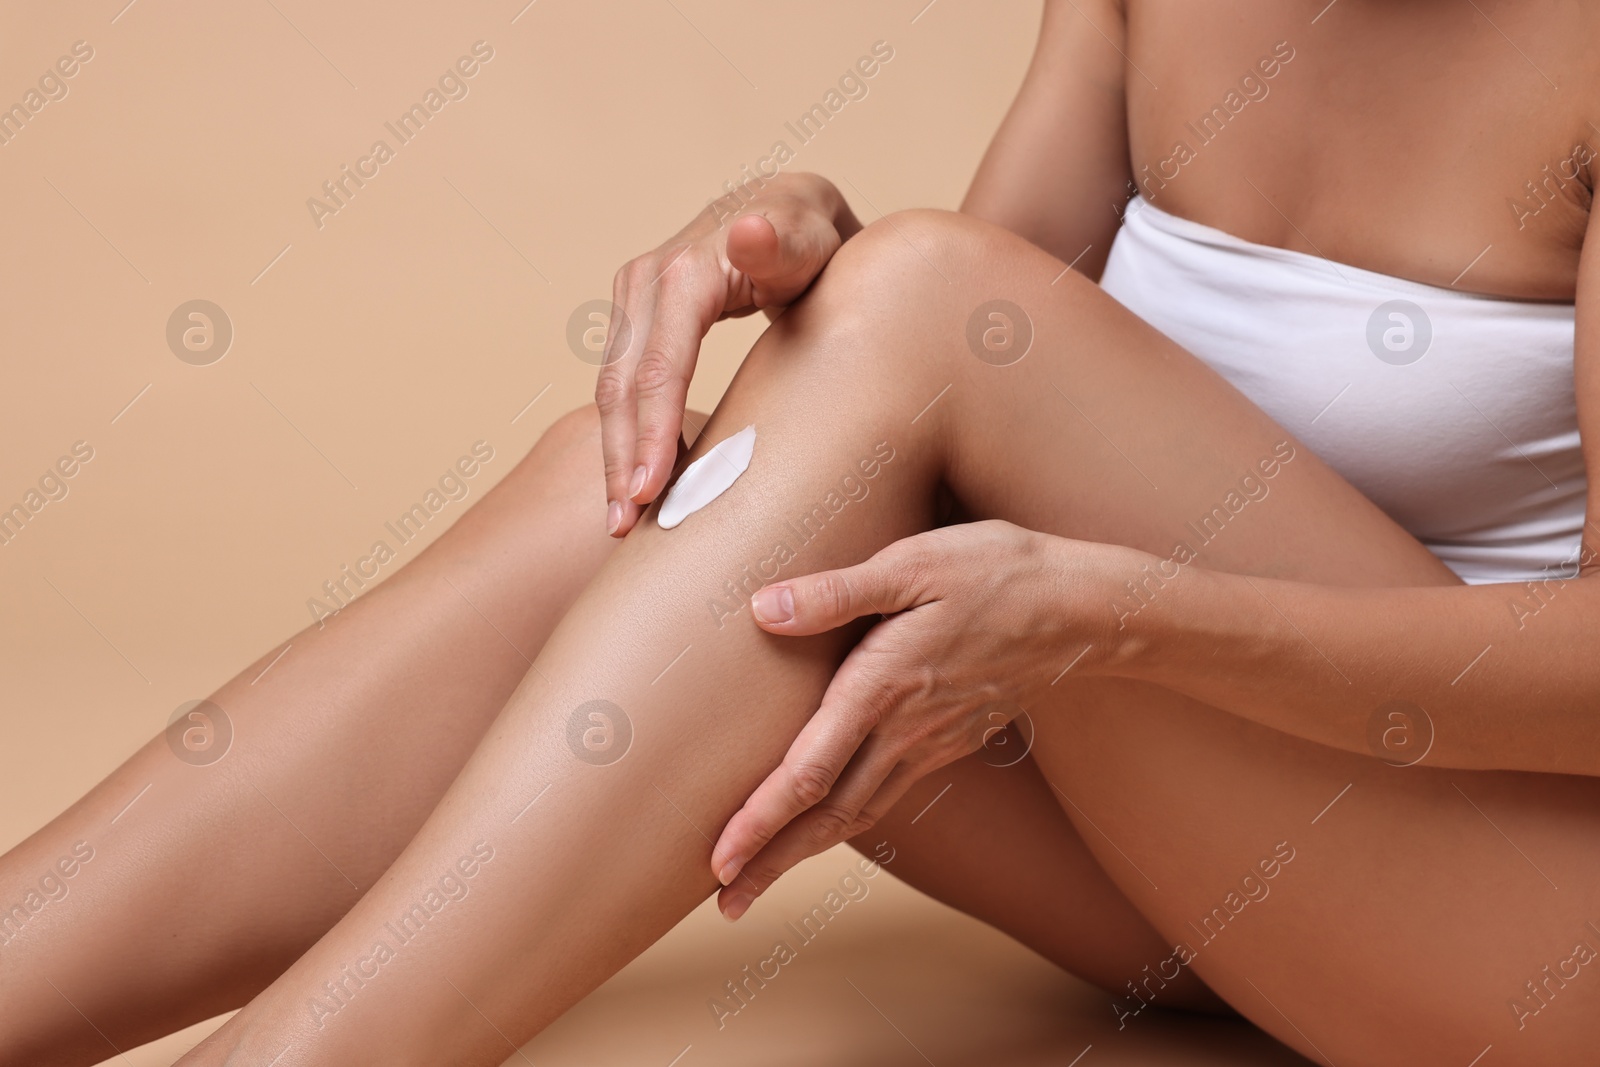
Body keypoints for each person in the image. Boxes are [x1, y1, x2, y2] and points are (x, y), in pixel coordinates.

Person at [5, 2, 1598, 1064]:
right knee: (613, 503)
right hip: (1203, 857)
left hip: (1515, 920)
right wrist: (809, 250)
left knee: (906, 312)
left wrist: (1135, 624)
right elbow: (984, 370)